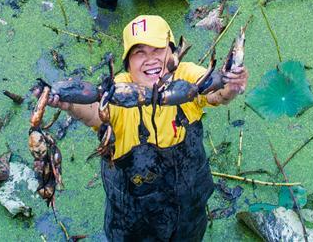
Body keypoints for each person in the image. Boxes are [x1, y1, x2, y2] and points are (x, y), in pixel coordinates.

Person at [47, 14, 248, 242]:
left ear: (173, 54)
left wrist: (232, 85)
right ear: (127, 64)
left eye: (157, 50)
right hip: (133, 222)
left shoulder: (186, 75)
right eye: (139, 53)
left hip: (188, 208)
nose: (150, 59)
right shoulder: (118, 90)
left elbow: (217, 94)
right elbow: (93, 112)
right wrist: (69, 103)